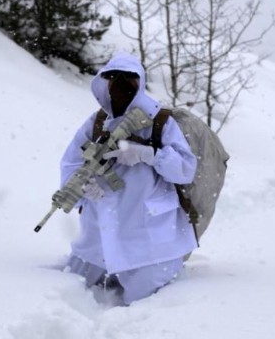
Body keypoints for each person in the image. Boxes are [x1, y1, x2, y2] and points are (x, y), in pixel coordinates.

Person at [59, 53, 198, 305]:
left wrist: (149, 154)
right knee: (73, 289)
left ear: (141, 81)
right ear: (104, 82)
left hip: (148, 236)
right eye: (113, 77)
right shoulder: (98, 122)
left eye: (129, 78)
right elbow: (71, 162)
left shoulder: (160, 122)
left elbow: (185, 170)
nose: (121, 84)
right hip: (99, 229)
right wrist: (83, 189)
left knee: (147, 300)